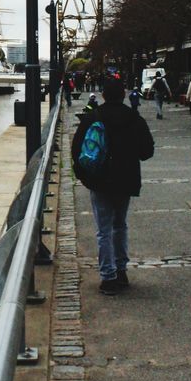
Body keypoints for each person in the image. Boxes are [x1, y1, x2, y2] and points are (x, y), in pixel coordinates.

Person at [71, 77, 155, 295]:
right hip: (125, 180)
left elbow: (77, 150)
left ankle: (108, 278)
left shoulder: (93, 118)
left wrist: (85, 176)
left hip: (99, 181)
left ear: (103, 95)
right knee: (120, 225)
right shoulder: (133, 118)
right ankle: (121, 271)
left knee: (103, 231)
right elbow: (147, 152)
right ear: (123, 95)